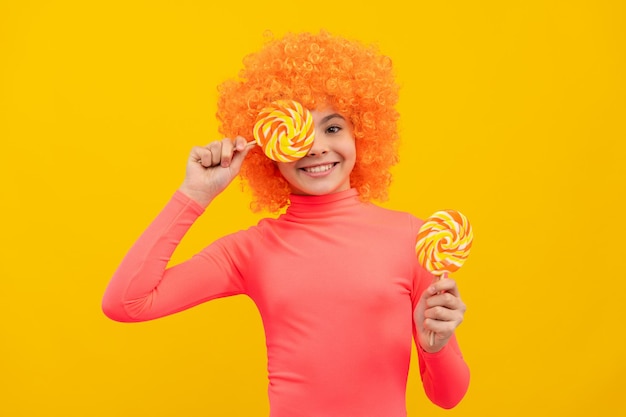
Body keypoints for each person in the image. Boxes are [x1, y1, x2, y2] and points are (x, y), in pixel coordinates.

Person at [102, 30, 470, 416]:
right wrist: (195, 195)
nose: (315, 146)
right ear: (268, 148)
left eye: (332, 127)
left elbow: (449, 396)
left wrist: (436, 345)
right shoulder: (250, 250)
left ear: (362, 133)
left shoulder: (414, 238)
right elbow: (126, 303)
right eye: (295, 133)